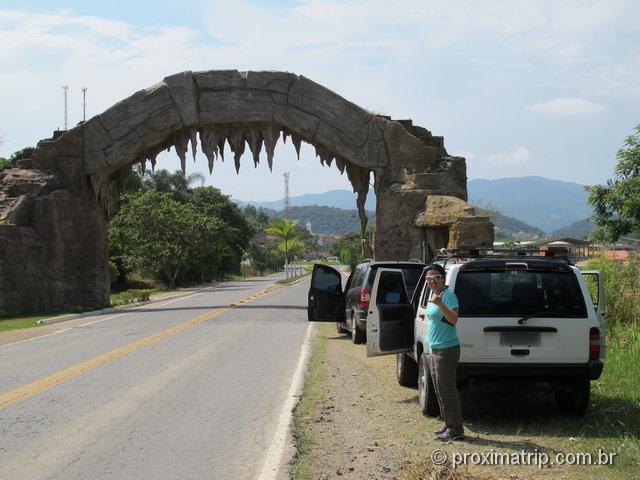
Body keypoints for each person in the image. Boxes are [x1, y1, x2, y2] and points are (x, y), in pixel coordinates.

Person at [425, 263, 465, 441]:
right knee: (439, 389)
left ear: (442, 278)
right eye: (428, 278)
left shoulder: (448, 296)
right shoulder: (436, 295)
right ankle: (448, 424)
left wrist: (440, 304)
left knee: (447, 390)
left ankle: (456, 430)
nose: (431, 281)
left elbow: (453, 319)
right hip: (436, 348)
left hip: (447, 350)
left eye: (435, 277)